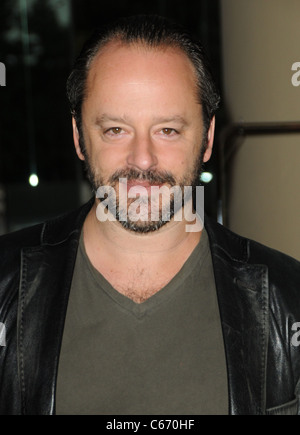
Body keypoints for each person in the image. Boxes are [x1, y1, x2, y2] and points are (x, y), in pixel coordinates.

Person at [0, 14, 300, 416]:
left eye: (168, 130)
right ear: (78, 137)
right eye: (115, 130)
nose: (142, 159)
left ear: (208, 139)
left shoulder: (291, 300)